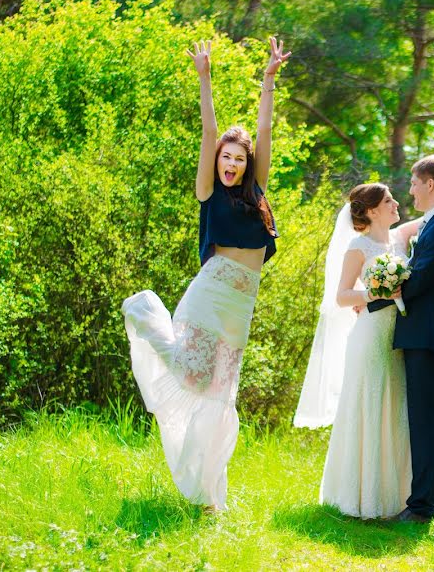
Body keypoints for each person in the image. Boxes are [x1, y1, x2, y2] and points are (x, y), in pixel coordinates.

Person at [121, 37, 290, 512]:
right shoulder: (207, 190)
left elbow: (264, 128)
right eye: (226, 157)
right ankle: (148, 316)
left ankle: (209, 495)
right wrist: (204, 77)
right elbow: (208, 128)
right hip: (211, 292)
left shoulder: (257, 189)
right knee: (191, 376)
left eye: (239, 158)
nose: (232, 164)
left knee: (219, 398)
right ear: (217, 160)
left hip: (241, 305)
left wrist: (269, 80)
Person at [295, 181, 434, 520]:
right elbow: (342, 296)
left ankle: (394, 497)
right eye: (389, 200)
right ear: (372, 210)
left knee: (395, 410)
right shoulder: (358, 247)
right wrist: (374, 294)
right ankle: (358, 497)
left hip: (400, 337)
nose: (397, 203)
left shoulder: (398, 238)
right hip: (371, 336)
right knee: (370, 406)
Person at [367, 155, 434, 523]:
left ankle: (424, 506)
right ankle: (422, 501)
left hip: (428, 335)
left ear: (430, 184)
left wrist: (374, 299)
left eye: (413, 183)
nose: (409, 190)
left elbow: (421, 279)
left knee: (426, 421)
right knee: (421, 419)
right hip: (421, 334)